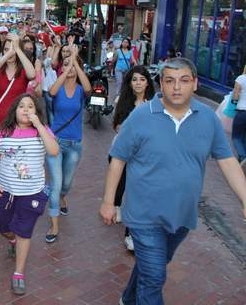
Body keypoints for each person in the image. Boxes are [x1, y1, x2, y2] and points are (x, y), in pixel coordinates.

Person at [100, 57, 246, 305]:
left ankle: (127, 297)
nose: (177, 87)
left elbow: (228, 161)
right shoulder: (141, 117)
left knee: (152, 266)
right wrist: (108, 201)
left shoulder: (208, 119)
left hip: (181, 215)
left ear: (195, 84)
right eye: (170, 81)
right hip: (143, 214)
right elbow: (118, 159)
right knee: (155, 276)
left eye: (184, 80)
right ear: (161, 85)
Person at [0, 94, 59, 295]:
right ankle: (12, 241)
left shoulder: (42, 132)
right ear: (14, 110)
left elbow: (53, 151)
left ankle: (18, 273)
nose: (26, 110)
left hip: (32, 193)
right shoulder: (4, 132)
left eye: (31, 107)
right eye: (22, 106)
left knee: (24, 232)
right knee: (5, 228)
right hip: (6, 192)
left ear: (37, 111)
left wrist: (39, 125)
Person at [0, 34, 36, 235]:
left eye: (14, 46)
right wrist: (6, 55)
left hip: (16, 130)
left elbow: (32, 74)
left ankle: (12, 218)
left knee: (13, 172)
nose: (11, 49)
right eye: (7, 46)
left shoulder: (22, 71)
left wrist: (18, 49)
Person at [45, 48, 92, 243]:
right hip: (56, 142)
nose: (69, 67)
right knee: (55, 185)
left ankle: (64, 196)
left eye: (73, 65)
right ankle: (54, 226)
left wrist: (74, 61)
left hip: (75, 144)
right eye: (65, 64)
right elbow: (52, 91)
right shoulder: (58, 86)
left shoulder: (81, 90)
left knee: (66, 183)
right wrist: (66, 67)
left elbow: (89, 89)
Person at [110, 65, 155, 251]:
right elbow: (118, 127)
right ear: (129, 82)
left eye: (142, 79)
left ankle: (130, 234)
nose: (138, 83)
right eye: (134, 79)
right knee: (121, 188)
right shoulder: (123, 100)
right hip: (123, 153)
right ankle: (116, 204)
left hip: (145, 157)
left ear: (147, 83)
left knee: (137, 196)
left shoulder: (155, 104)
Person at [231, 64, 246, 165]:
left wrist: (234, 102)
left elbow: (235, 95)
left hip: (242, 111)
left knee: (236, 136)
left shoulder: (241, 78)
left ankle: (243, 156)